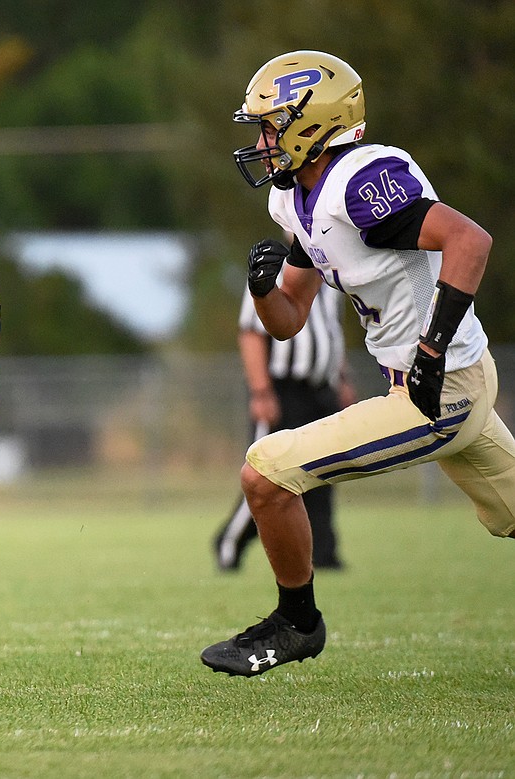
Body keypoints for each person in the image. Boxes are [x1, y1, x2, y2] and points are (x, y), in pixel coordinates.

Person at [201, 50, 515, 677]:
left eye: (269, 126)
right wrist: (264, 289)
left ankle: (297, 623)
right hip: (448, 380)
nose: (261, 143)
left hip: (439, 387)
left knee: (265, 474)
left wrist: (430, 348)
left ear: (309, 124)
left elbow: (469, 241)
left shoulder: (362, 180)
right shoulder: (297, 199)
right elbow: (289, 317)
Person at [213, 267, 355, 571]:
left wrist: (341, 379)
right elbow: (251, 333)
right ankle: (230, 540)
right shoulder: (274, 272)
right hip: (282, 389)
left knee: (322, 472)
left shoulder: (331, 274)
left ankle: (323, 553)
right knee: (265, 473)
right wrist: (261, 391)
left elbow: (332, 332)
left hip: (320, 388)